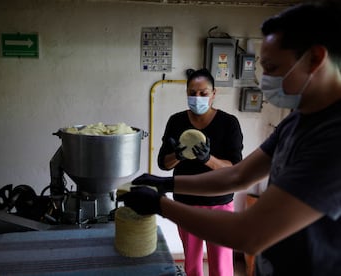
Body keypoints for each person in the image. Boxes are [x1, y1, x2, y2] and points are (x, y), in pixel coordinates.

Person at [119, 1, 341, 275]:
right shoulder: (296, 121)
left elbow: (250, 233)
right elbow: (238, 176)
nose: (263, 79)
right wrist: (165, 183)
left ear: (315, 58)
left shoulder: (333, 138)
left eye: (271, 67)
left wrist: (160, 205)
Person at [157, 68, 243, 276]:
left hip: (219, 203)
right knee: (193, 266)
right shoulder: (176, 121)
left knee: (222, 268)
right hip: (186, 205)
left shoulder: (228, 123)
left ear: (214, 94)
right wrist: (178, 155)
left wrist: (208, 159)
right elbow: (163, 163)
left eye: (203, 93)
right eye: (192, 93)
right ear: (187, 93)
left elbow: (235, 167)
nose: (197, 98)